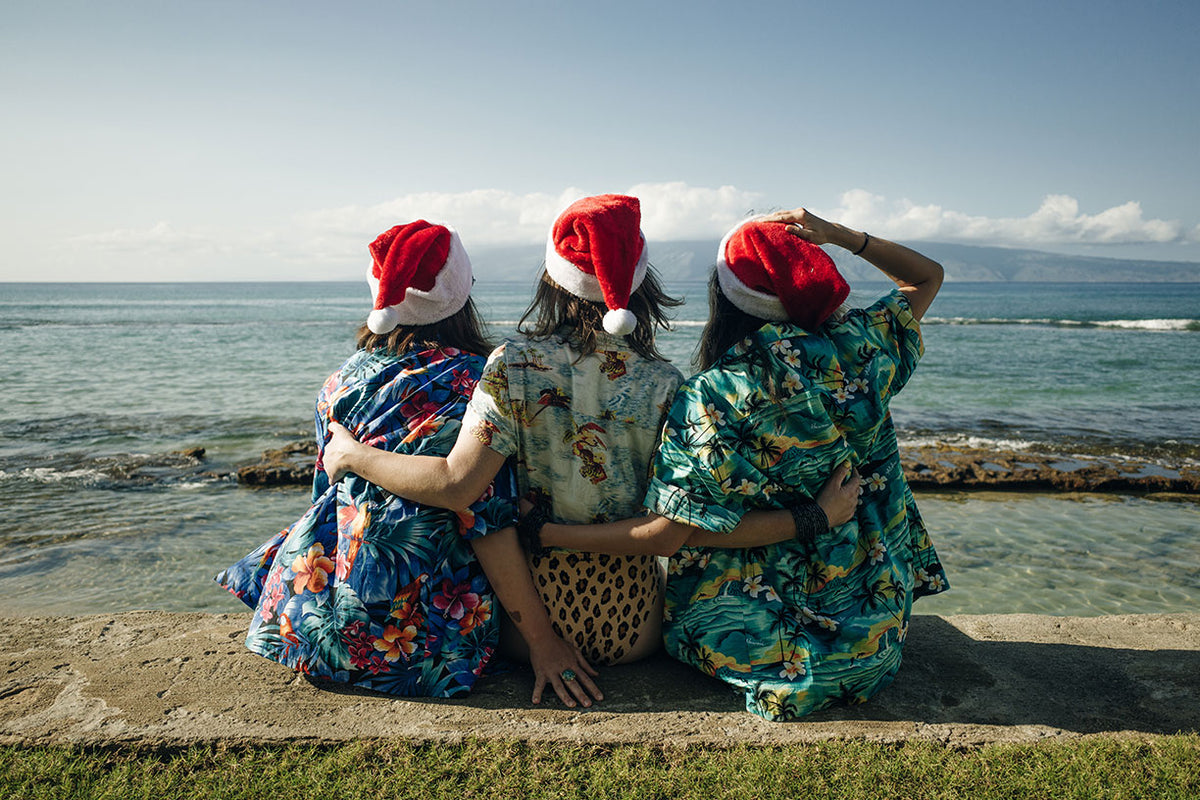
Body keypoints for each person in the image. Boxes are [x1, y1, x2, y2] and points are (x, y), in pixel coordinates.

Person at [322, 195, 861, 709]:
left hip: (526, 628)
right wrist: (812, 516)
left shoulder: (512, 367)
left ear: (551, 280)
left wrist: (350, 454)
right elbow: (678, 530)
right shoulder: (668, 384)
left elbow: (461, 488)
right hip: (635, 628)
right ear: (640, 282)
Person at [532, 208, 950, 721]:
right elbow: (927, 275)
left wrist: (547, 533)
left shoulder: (715, 395)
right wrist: (841, 236)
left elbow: (670, 537)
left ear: (727, 297)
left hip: (764, 644)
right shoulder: (865, 344)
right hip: (875, 629)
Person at [216, 219, 527, 698]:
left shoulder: (338, 381)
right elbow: (487, 518)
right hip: (422, 642)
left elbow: (326, 496)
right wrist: (542, 640)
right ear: (463, 290)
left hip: (321, 623)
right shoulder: (476, 383)